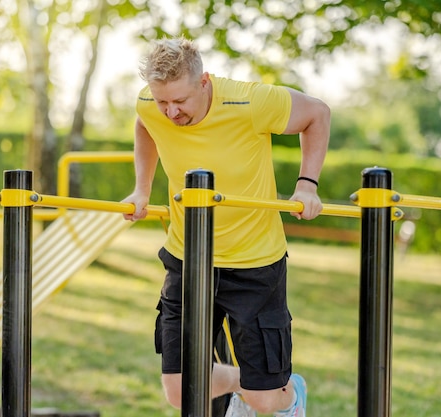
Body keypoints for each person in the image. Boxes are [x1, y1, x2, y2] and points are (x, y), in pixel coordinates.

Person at [122, 36, 330, 417]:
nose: (169, 112)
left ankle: (288, 391)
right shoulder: (150, 104)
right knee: (179, 390)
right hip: (188, 255)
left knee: (265, 400)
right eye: (162, 101)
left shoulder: (250, 102)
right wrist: (141, 188)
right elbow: (144, 124)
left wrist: (307, 185)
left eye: (179, 101)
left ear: (204, 82)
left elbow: (317, 113)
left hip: (254, 263)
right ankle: (243, 385)